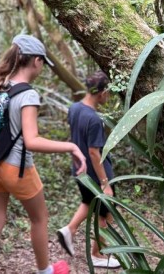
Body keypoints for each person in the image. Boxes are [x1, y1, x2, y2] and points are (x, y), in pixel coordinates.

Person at [0, 34, 87, 274]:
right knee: (40, 218)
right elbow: (32, 140)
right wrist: (71, 146)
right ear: (36, 61)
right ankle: (45, 270)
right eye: (42, 63)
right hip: (17, 168)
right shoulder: (28, 95)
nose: (42, 68)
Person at [56, 70, 121, 269]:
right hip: (95, 174)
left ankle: (69, 230)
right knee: (106, 213)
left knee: (87, 202)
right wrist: (105, 183)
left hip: (80, 170)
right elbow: (94, 152)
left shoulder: (74, 108)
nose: (108, 97)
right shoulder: (94, 119)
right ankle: (98, 254)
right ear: (101, 93)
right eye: (108, 93)